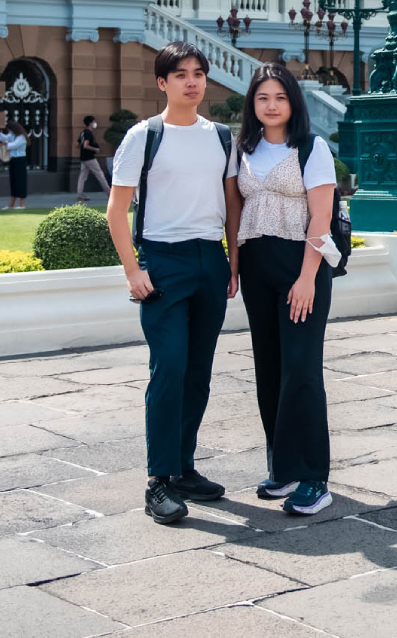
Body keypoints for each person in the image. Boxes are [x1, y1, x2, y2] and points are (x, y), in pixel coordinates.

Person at [107, 42, 241, 527]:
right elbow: (116, 211)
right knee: (169, 369)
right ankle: (158, 482)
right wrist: (133, 271)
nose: (193, 82)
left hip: (210, 260)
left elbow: (231, 206)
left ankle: (184, 469)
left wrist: (233, 263)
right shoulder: (146, 136)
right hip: (163, 263)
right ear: (162, 83)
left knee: (198, 373)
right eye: (181, 74)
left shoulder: (222, 137)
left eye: (199, 73)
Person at [233, 62, 339, 517]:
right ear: (252, 105)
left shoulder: (312, 148)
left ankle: (314, 477)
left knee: (300, 368)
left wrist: (307, 277)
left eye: (279, 97)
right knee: (269, 368)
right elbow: (233, 212)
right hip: (257, 266)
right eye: (262, 98)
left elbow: (321, 217)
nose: (271, 105)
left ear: (292, 101)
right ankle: (283, 468)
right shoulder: (244, 148)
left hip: (302, 266)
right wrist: (234, 268)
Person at [76, 115, 110, 202]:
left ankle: (80, 195)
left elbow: (78, 145)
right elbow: (85, 145)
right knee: (100, 174)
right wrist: (95, 149)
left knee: (82, 176)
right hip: (89, 158)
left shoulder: (83, 132)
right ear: (91, 123)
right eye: (94, 122)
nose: (95, 124)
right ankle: (109, 192)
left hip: (83, 157)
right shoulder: (88, 133)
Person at [3, 121, 29, 209]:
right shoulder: (13, 135)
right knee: (13, 181)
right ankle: (11, 204)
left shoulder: (21, 137)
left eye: (10, 130)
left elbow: (13, 146)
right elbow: (5, 137)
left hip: (20, 160)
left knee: (21, 181)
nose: (9, 132)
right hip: (13, 160)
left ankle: (22, 204)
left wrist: (6, 144)